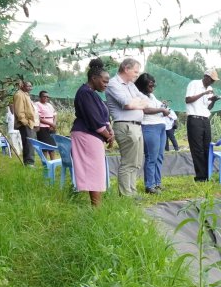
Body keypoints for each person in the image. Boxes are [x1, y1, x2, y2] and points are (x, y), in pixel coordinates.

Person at [71, 58, 115, 207]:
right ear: (94, 78)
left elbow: (103, 116)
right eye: (104, 81)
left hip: (93, 135)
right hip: (86, 134)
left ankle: (96, 206)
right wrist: (108, 136)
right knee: (94, 170)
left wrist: (110, 130)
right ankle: (96, 208)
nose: (106, 84)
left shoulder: (92, 93)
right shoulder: (85, 93)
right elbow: (94, 119)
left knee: (96, 170)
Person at [106, 57, 150, 196]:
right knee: (128, 162)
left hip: (136, 126)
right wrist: (135, 103)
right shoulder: (114, 84)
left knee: (136, 162)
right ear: (126, 68)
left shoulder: (130, 85)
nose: (137, 75)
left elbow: (146, 100)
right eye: (135, 72)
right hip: (125, 126)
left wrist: (136, 102)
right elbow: (127, 104)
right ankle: (126, 195)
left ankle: (132, 191)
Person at [135, 73, 170, 194]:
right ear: (143, 85)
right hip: (149, 127)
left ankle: (157, 183)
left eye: (153, 85)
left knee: (159, 156)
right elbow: (145, 110)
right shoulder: (139, 95)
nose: (152, 87)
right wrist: (161, 109)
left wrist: (163, 106)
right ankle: (149, 185)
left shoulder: (152, 95)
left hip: (160, 127)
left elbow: (157, 107)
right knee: (151, 157)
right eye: (150, 85)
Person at [185, 68, 220, 182]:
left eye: (214, 80)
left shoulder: (210, 88)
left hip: (205, 119)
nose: (212, 82)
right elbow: (188, 99)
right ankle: (200, 177)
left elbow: (208, 107)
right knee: (197, 148)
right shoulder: (194, 84)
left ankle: (207, 175)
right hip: (194, 119)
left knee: (207, 147)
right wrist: (203, 93)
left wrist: (214, 100)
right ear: (206, 77)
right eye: (211, 79)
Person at [12, 80, 36, 166]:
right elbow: (19, 111)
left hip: (29, 123)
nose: (30, 88)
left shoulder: (25, 94)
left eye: (30, 86)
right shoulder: (19, 94)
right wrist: (25, 122)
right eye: (28, 86)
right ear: (22, 86)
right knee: (28, 143)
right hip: (24, 123)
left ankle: (30, 162)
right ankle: (29, 163)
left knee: (29, 143)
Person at [35, 90, 57, 158]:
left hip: (51, 127)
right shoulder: (37, 104)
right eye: (44, 96)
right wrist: (50, 124)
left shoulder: (49, 105)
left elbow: (55, 114)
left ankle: (53, 162)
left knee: (52, 146)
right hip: (42, 128)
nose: (46, 98)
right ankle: (45, 164)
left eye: (47, 97)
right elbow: (38, 118)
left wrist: (53, 124)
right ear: (40, 97)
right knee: (44, 147)